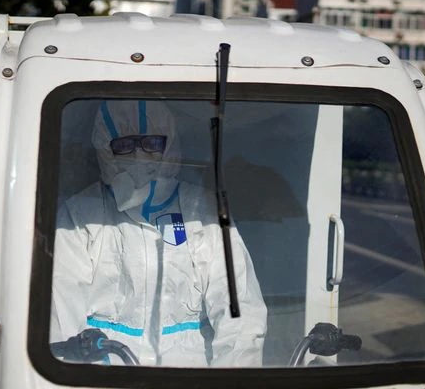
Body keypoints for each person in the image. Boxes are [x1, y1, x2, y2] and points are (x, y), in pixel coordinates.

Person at [50, 99, 267, 367]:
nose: (139, 156)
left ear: (170, 144)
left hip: (188, 373)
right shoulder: (82, 216)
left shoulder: (202, 212)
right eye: (125, 145)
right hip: (105, 372)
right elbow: (61, 310)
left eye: (151, 144)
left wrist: (230, 388)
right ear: (106, 149)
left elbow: (238, 308)